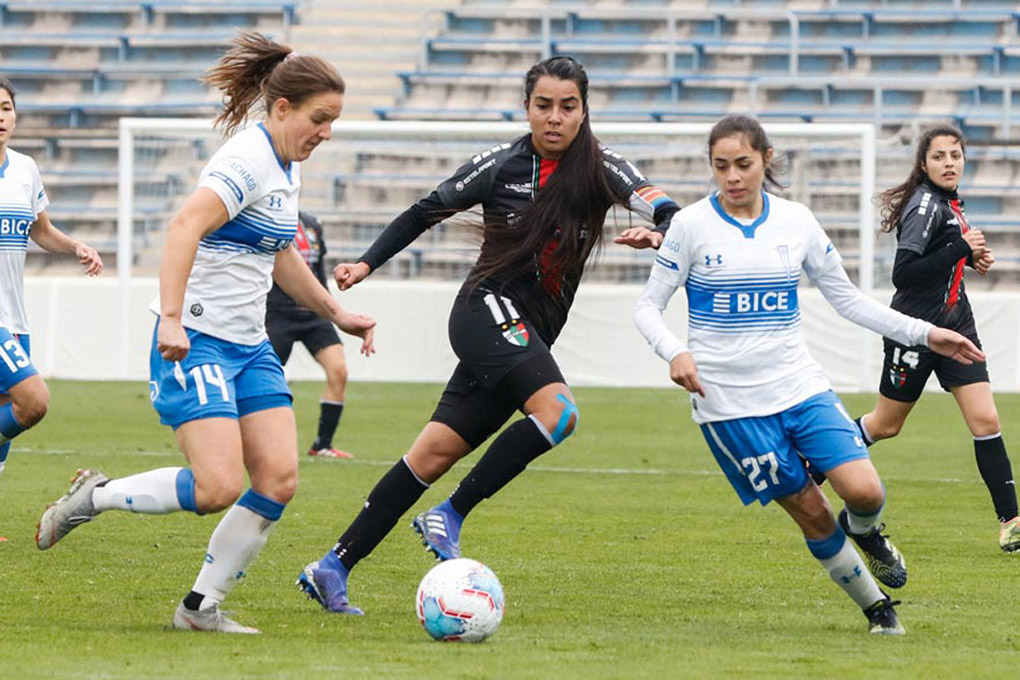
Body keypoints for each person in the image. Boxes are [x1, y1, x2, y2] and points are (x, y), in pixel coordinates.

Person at [296, 56, 681, 615]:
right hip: (485, 310)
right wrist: (366, 263)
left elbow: (670, 209)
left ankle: (332, 566)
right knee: (559, 414)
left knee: (427, 457)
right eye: (542, 105)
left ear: (583, 110)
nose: (554, 117)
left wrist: (660, 232)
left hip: (525, 335)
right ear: (526, 109)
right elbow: (424, 211)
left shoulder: (603, 169)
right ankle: (449, 514)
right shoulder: (499, 166)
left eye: (567, 106)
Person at [34, 33, 375, 633]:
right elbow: (182, 227)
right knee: (218, 485)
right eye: (320, 119)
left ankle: (200, 609)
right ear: (282, 109)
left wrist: (334, 312)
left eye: (335, 122)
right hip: (198, 340)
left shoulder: (284, 165)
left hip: (249, 345)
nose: (327, 133)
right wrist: (169, 317)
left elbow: (279, 254)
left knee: (279, 479)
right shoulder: (245, 161)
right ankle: (96, 496)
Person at [633, 114, 985, 634]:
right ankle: (878, 610)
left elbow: (847, 299)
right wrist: (674, 352)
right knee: (813, 512)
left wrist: (925, 333)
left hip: (800, 385)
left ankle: (865, 531)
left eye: (743, 164)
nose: (732, 177)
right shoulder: (688, 227)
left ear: (766, 160)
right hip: (730, 405)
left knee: (865, 492)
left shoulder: (796, 221)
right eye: (721, 166)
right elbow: (647, 308)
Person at [850, 125, 1019, 553]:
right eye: (940, 156)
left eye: (955, 155)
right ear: (923, 164)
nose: (949, 163)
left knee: (986, 422)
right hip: (916, 331)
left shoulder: (950, 204)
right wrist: (959, 249)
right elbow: (904, 273)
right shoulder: (925, 204)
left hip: (957, 327)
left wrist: (967, 256)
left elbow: (944, 258)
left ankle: (1012, 522)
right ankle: (815, 458)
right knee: (885, 426)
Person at [0, 77, 103, 542]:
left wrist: (75, 246)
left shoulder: (25, 169)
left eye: (5, 108)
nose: (0, 117)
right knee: (33, 401)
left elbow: (41, 230)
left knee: (7, 410)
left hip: (13, 316)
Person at [266, 210, 354, 459]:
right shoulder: (270, 219)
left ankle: (322, 445)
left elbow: (317, 270)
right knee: (265, 378)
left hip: (314, 315)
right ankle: (260, 442)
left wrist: (329, 306)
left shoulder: (312, 224)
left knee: (338, 370)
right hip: (277, 313)